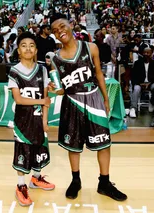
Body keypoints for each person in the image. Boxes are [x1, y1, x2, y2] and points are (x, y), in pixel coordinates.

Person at [50, 14, 127, 201]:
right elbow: (61, 89)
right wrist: (54, 91)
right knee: (73, 145)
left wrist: (106, 100)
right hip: (72, 103)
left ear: (71, 25)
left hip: (93, 100)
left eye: (62, 26)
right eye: (54, 30)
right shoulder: (55, 59)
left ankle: (105, 183)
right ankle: (76, 180)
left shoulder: (90, 47)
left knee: (103, 143)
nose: (59, 31)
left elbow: (99, 74)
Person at [8, 32, 55, 207]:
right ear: (18, 51)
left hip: (38, 119)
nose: (28, 48)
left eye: (31, 45)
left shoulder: (42, 69)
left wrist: (45, 120)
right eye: (23, 45)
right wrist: (42, 101)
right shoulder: (14, 70)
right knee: (23, 153)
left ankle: (35, 180)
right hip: (22, 121)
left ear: (36, 50)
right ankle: (21, 185)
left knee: (39, 150)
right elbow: (18, 99)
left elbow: (46, 97)